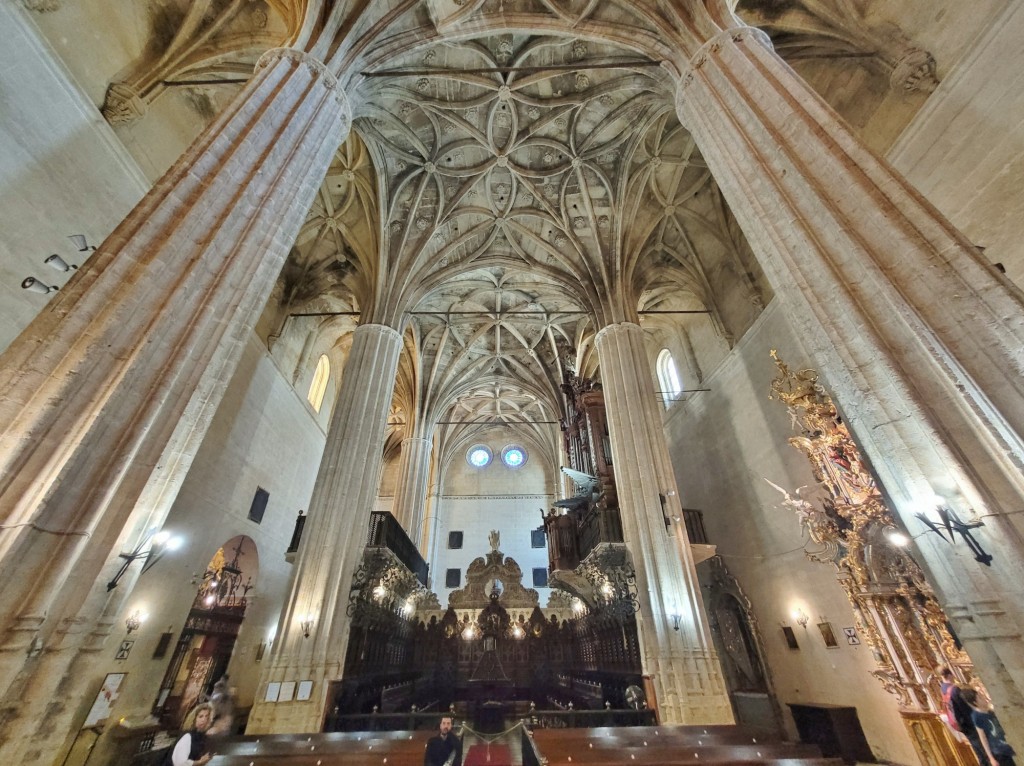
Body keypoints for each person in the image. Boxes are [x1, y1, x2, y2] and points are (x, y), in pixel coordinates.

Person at [938, 666, 987, 766]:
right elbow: (965, 708)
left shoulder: (943, 688)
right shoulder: (954, 689)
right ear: (950, 675)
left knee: (978, 750)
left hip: (960, 724)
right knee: (984, 749)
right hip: (968, 723)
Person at [962, 688, 1017, 766]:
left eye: (982, 695)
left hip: (1007, 746)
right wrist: (991, 757)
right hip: (998, 751)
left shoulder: (990, 711)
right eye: (980, 697)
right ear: (975, 703)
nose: (984, 697)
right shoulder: (977, 716)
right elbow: (983, 738)